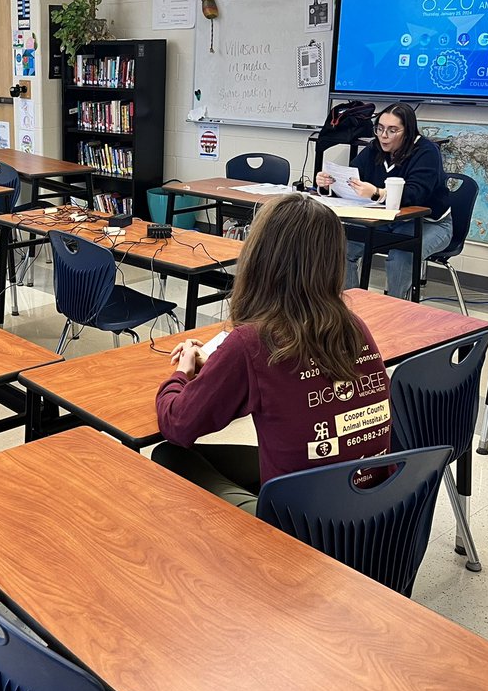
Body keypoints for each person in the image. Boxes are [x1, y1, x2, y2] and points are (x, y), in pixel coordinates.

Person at [153, 193, 392, 514]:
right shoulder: (353, 325)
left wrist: (182, 372)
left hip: (305, 533)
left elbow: (178, 425)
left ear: (260, 257)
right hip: (372, 516)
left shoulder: (253, 342)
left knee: (169, 455)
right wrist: (221, 370)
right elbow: (289, 388)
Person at [317, 101, 452, 299]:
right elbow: (352, 178)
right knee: (340, 248)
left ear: (408, 131)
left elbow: (415, 194)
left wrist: (377, 193)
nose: (383, 136)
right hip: (386, 220)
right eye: (379, 129)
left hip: (429, 223)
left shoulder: (427, 152)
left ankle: (393, 311)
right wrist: (328, 183)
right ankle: (353, 308)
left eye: (392, 130)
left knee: (401, 255)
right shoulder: (375, 148)